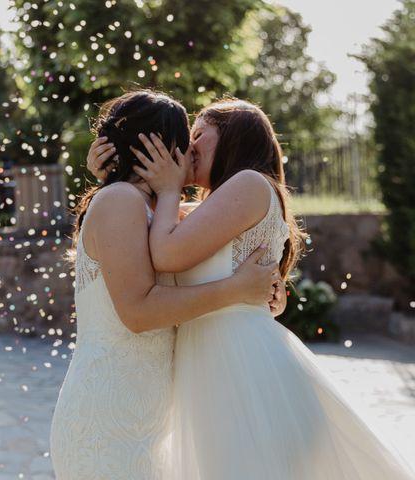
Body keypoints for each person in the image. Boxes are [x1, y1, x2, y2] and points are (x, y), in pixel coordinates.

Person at [91, 97, 414, 479]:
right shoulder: (213, 205)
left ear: (233, 137)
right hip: (211, 363)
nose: (188, 147)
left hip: (240, 362)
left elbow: (165, 252)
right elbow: (137, 232)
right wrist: (114, 174)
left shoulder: (249, 183)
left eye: (199, 135)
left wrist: (167, 189)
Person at [49, 91, 283, 480]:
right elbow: (139, 313)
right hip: (110, 419)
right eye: (185, 140)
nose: (191, 151)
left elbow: (211, 234)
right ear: (159, 149)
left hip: (149, 420)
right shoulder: (121, 200)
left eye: (197, 138)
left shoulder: (152, 210)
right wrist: (236, 289)